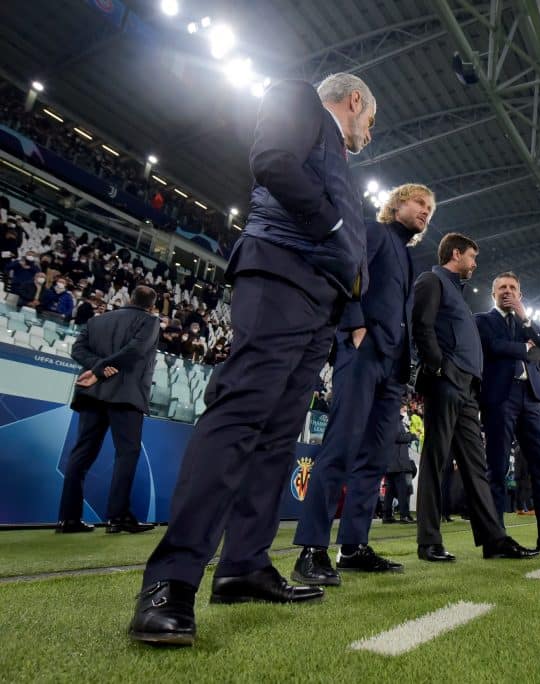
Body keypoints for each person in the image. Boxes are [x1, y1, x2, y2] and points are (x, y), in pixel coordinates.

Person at [131, 72, 376, 646]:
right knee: (240, 416)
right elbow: (272, 161)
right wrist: (338, 227)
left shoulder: (341, 159)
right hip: (281, 273)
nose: (370, 131)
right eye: (370, 118)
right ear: (356, 100)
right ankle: (170, 582)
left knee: (276, 436)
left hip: (321, 304)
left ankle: (244, 563)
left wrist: (352, 298)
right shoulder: (298, 98)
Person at [292, 183, 432, 585]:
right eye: (419, 203)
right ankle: (312, 549)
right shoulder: (374, 232)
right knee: (340, 446)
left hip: (393, 368)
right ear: (397, 203)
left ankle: (353, 546)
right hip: (363, 353)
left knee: (374, 459)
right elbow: (346, 270)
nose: (426, 211)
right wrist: (354, 325)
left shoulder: (407, 255)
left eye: (430, 208)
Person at [411, 232, 537, 562]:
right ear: (456, 254)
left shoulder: (457, 294)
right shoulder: (432, 280)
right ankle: (429, 541)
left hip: (468, 390)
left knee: (477, 466)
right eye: (472, 257)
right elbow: (421, 326)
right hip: (446, 382)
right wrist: (439, 368)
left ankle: (494, 538)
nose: (475, 263)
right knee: (435, 460)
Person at [477, 274, 540, 552]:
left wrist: (525, 318)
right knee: (497, 468)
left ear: (520, 294)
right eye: (502, 288)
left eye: (513, 288)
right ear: (493, 293)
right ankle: (495, 539)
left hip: (532, 398)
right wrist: (524, 348)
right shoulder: (483, 320)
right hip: (500, 397)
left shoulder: (525, 322)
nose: (507, 292)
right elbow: (492, 345)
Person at [57, 286, 160, 535]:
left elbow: (77, 350)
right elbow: (135, 351)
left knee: (81, 455)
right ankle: (117, 517)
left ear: (128, 299)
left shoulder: (97, 320)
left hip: (92, 395)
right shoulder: (150, 321)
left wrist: (96, 369)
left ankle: (68, 520)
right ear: (151, 306)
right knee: (126, 454)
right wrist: (103, 369)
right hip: (126, 396)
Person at [383, 414, 417, 525]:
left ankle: (387, 515)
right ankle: (404, 515)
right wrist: (411, 436)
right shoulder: (395, 421)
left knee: (390, 491)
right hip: (398, 462)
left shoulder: (389, 420)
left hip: (391, 462)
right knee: (403, 490)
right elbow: (398, 437)